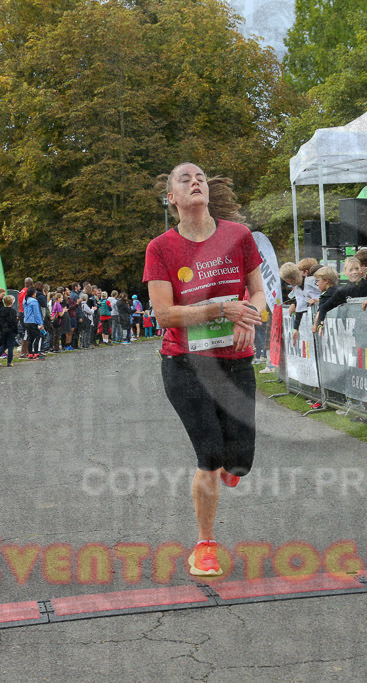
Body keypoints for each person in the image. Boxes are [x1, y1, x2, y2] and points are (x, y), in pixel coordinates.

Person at [143, 162, 265, 578]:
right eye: (184, 179)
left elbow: (260, 292)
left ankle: (226, 471)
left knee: (240, 461)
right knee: (210, 455)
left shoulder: (239, 236)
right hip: (184, 363)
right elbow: (163, 315)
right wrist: (218, 309)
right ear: (172, 198)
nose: (195, 181)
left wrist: (247, 317)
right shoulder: (160, 248)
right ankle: (206, 544)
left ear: (208, 191)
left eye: (200, 178)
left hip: (234, 361)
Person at [311, 266, 340, 332]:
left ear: (326, 281)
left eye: (318, 281)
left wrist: (315, 325)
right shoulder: (340, 290)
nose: (317, 284)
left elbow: (320, 311)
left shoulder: (325, 295)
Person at [0, 295, 19, 366]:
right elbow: (13, 322)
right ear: (12, 302)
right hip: (11, 331)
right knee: (10, 346)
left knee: (4, 345)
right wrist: (16, 330)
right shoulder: (12, 311)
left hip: (3, 330)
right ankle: (9, 362)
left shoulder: (1, 310)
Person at [22, 286, 43, 359]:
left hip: (26, 321)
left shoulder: (25, 300)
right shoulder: (34, 301)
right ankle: (36, 353)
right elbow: (37, 313)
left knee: (30, 338)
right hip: (33, 321)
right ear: (33, 293)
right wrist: (40, 323)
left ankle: (30, 354)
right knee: (37, 336)